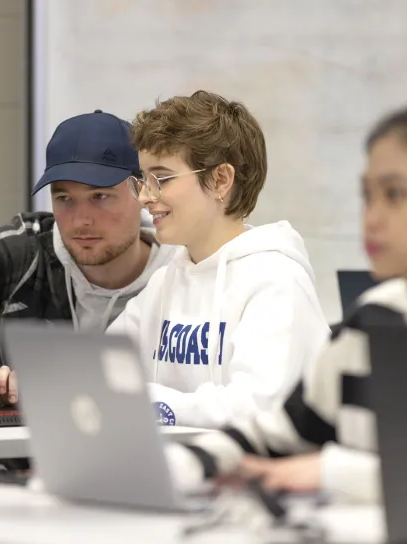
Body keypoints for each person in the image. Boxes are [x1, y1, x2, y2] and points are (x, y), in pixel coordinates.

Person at [165, 106, 407, 504]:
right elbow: (275, 433)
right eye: (367, 195)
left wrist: (329, 472)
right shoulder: (372, 324)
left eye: (394, 194)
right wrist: (175, 467)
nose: (372, 217)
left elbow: (321, 466)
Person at [104, 90, 329, 429]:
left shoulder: (276, 281)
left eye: (161, 179)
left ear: (221, 180)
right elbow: (101, 370)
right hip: (179, 472)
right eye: (143, 180)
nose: (146, 198)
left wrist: (149, 402)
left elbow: (258, 409)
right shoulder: (167, 281)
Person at [0, 110, 176, 405]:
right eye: (64, 198)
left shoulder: (181, 275)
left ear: (142, 191)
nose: (81, 220)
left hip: (142, 448)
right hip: (18, 449)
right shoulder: (26, 251)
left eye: (100, 197)